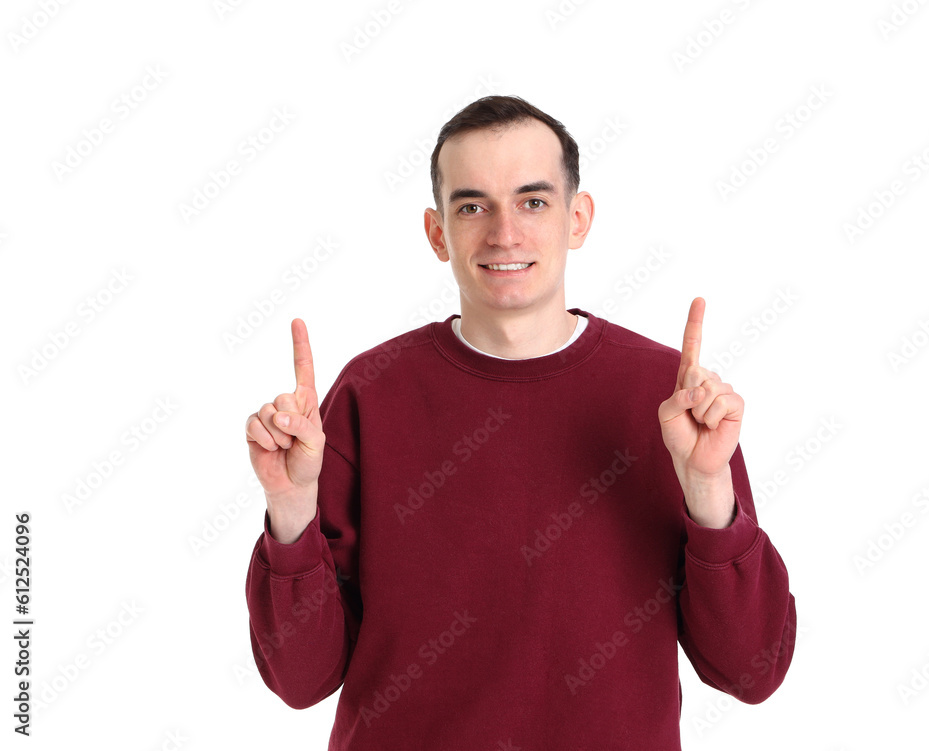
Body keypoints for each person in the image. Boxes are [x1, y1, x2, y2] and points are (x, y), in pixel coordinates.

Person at [244, 95, 796, 750]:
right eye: (472, 205)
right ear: (436, 231)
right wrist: (290, 509)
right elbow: (301, 679)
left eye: (533, 201)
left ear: (578, 218)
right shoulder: (369, 392)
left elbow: (751, 670)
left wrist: (709, 495)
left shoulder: (672, 399)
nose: (504, 232)